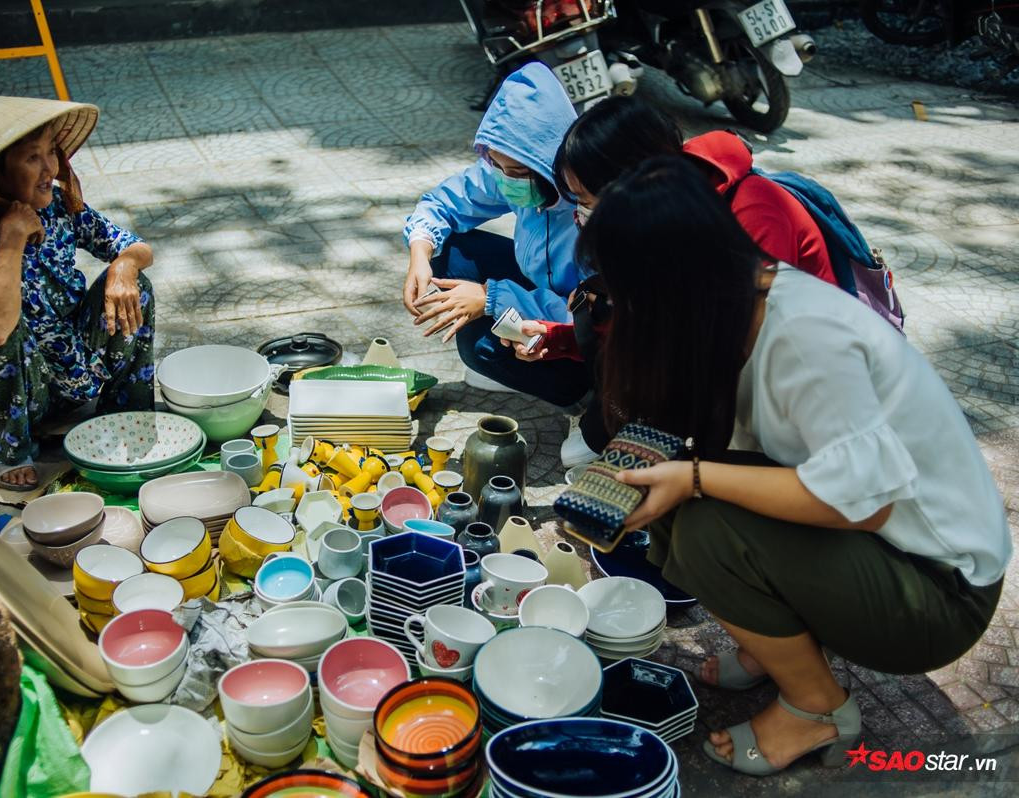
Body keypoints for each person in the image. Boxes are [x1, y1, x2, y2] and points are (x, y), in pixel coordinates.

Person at [578, 156, 1009, 775]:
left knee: (704, 523)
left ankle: (818, 708)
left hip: (940, 592)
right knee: (677, 493)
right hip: (885, 550)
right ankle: (773, 650)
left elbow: (864, 505)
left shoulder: (808, 337)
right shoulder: (736, 304)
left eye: (627, 290)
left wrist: (695, 479)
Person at [509, 94, 838, 466]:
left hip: (792, 413)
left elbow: (727, 357)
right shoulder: (658, 221)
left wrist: (688, 475)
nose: (583, 216)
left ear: (632, 179)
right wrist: (563, 338)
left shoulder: (753, 215)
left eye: (588, 201)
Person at [0, 96, 155, 490]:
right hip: (2, 391)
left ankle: (126, 414)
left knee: (137, 286)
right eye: (32, 158)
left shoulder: (59, 209)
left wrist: (124, 266)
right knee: (0, 328)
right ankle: (10, 449)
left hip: (61, 379)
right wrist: (12, 239)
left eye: (51, 152)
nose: (50, 168)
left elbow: (136, 247)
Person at [401, 62, 589, 407]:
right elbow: (442, 203)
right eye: (499, 167)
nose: (505, 179)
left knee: (483, 351)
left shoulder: (589, 205)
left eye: (517, 171)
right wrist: (419, 253)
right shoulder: (508, 172)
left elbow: (592, 315)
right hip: (542, 291)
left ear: (553, 161)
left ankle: (583, 397)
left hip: (583, 328)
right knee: (451, 248)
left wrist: (490, 297)